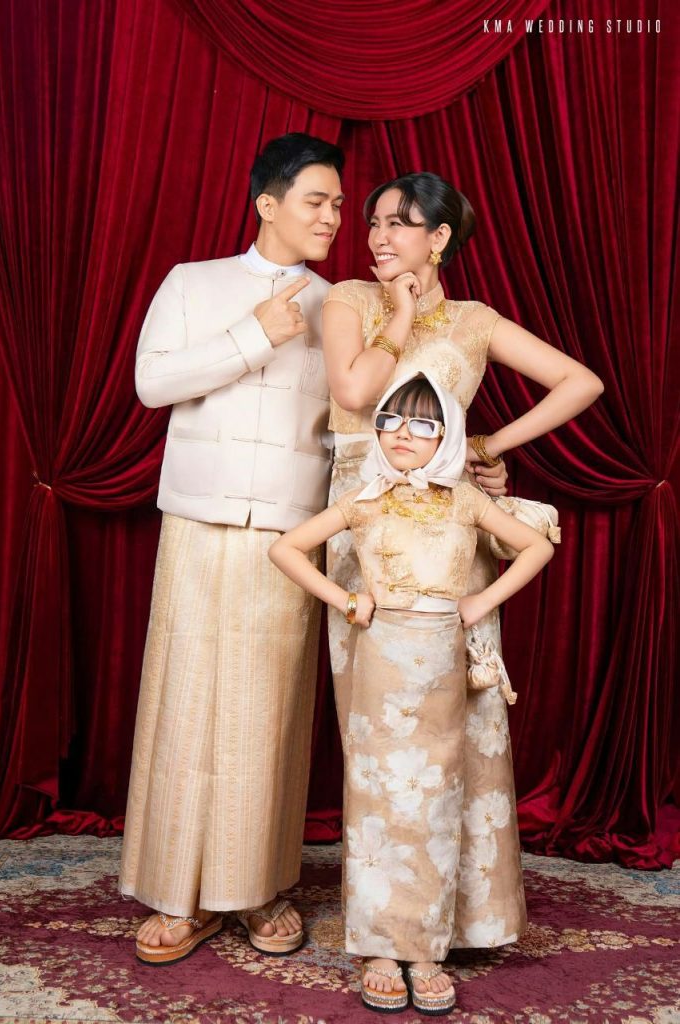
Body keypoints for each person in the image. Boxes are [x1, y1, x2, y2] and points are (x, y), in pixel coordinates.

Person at [321, 172, 603, 963]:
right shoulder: (348, 301)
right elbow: (353, 388)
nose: (379, 237)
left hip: (450, 534)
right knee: (377, 730)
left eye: (400, 224)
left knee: (465, 721)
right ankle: (388, 930)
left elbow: (581, 382)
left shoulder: (475, 321)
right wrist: (401, 312)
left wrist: (486, 446)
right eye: (374, 222)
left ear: (440, 238)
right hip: (364, 528)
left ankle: (469, 917)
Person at [118, 133, 345, 964]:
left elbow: (353, 425)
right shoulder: (193, 282)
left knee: (266, 715)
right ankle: (175, 896)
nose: (332, 217)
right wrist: (253, 334)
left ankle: (257, 890)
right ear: (267, 204)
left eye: (338, 205)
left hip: (288, 536)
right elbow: (152, 384)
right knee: (183, 705)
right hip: (195, 522)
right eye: (316, 201)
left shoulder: (339, 305)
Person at [269, 371, 555, 1014]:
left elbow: (535, 546)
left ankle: (425, 950)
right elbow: (287, 549)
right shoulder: (364, 500)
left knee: (437, 800)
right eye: (390, 421)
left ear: (447, 436)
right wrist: (348, 600)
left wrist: (480, 601)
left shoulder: (465, 501)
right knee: (376, 801)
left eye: (422, 424)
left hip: (443, 666)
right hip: (379, 666)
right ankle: (377, 947)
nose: (402, 434)